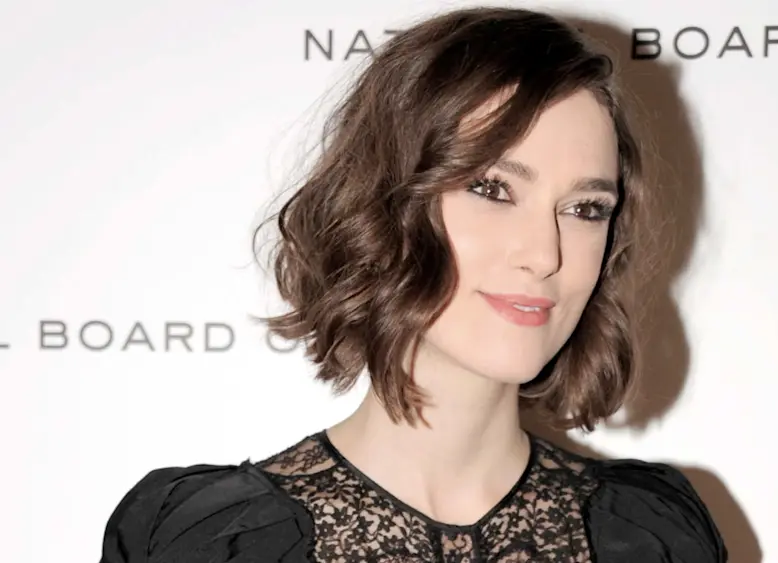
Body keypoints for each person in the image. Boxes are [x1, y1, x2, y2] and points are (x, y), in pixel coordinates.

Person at [99, 6, 726, 563]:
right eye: (492, 189)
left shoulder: (653, 535)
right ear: (386, 204)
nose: (544, 255)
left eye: (586, 208)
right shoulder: (210, 540)